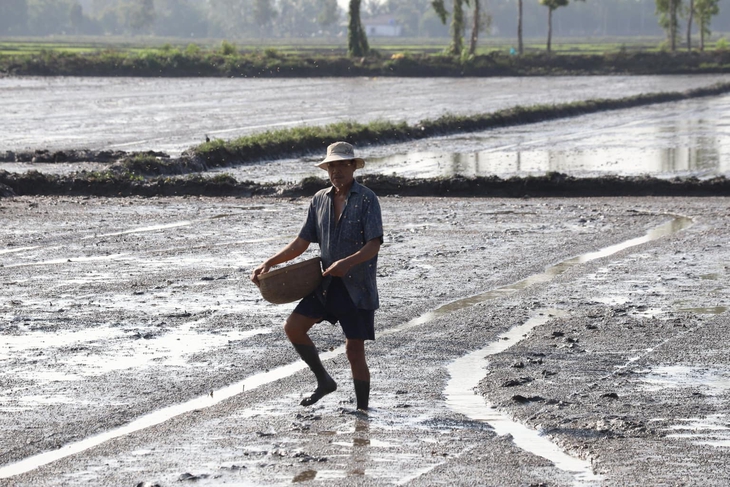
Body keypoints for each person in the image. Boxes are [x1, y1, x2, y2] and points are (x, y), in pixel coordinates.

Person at [251, 141, 383, 411]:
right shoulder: (319, 199)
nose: (336, 171)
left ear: (352, 166)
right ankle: (324, 380)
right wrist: (270, 262)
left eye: (341, 165)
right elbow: (301, 243)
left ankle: (362, 410)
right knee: (293, 327)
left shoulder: (368, 199)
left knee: (354, 350)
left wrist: (347, 263)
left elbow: (374, 244)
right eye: (331, 166)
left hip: (356, 286)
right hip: (324, 283)